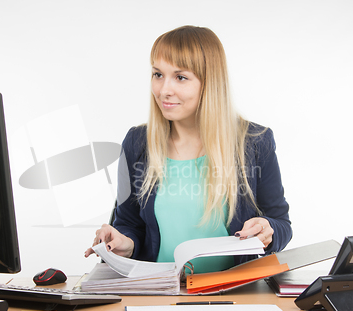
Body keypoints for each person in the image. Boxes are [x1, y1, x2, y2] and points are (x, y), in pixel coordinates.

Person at [85, 25, 292, 272]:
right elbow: (130, 224)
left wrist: (268, 230)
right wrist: (122, 243)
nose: (163, 90)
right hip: (159, 292)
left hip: (234, 293)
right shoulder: (137, 143)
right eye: (158, 74)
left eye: (180, 77)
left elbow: (281, 225)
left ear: (210, 83)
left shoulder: (255, 142)